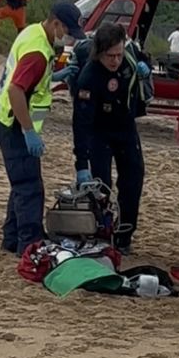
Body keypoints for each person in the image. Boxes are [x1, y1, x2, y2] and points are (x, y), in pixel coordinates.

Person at [0, 1, 86, 256]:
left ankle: (12, 240)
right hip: (14, 123)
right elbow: (16, 90)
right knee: (29, 186)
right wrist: (28, 131)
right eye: (66, 31)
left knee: (21, 182)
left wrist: (54, 76)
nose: (67, 37)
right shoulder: (37, 51)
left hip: (5, 119)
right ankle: (29, 244)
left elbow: (30, 78)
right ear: (55, 23)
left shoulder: (34, 32)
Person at [72, 24, 149, 252]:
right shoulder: (89, 76)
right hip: (99, 132)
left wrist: (147, 68)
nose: (115, 60)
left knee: (133, 181)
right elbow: (81, 123)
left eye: (119, 54)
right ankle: (102, 235)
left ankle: (125, 236)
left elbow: (145, 59)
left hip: (126, 128)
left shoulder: (130, 56)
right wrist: (81, 163)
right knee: (100, 187)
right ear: (99, 52)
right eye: (110, 56)